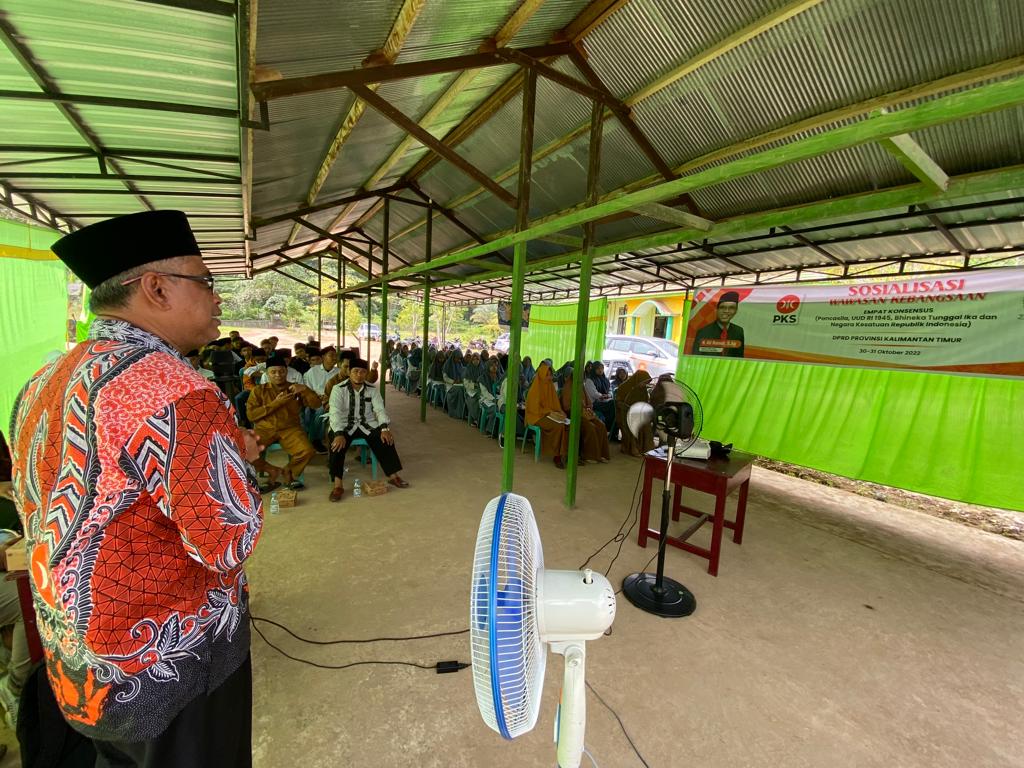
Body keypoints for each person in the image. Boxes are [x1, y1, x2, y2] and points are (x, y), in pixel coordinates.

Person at [9, 210, 262, 766]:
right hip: (171, 670)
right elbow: (226, 541)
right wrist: (236, 464)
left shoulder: (43, 380)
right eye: (207, 282)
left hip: (79, 664)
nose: (218, 299)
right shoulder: (178, 390)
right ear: (155, 288)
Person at [327, 359, 409, 501]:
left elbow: (379, 409)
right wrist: (338, 433)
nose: (359, 375)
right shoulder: (338, 389)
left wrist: (384, 427)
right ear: (349, 372)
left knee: (386, 439)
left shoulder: (372, 389)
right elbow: (334, 412)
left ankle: (393, 476)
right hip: (344, 424)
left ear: (366, 373)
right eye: (355, 371)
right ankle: (338, 484)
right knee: (336, 445)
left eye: (363, 372)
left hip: (367, 423)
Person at [247, 355, 321, 491]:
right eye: (273, 372)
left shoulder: (295, 389)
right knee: (243, 449)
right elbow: (251, 416)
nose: (278, 375)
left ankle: (289, 472)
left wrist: (305, 389)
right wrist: (276, 403)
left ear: (286, 371)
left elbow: (316, 405)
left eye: (281, 371)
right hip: (265, 429)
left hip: (290, 428)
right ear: (267, 373)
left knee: (307, 451)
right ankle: (271, 470)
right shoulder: (258, 391)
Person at [525, 362, 571, 469]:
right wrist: (549, 412)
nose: (550, 377)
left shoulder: (550, 387)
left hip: (549, 414)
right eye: (547, 375)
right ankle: (557, 456)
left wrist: (560, 412)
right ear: (541, 375)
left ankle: (565, 453)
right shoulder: (535, 389)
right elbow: (534, 408)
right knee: (558, 426)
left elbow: (555, 404)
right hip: (536, 416)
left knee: (567, 425)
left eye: (550, 375)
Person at [560, 371, 611, 464]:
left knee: (601, 425)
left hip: (585, 413)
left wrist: (588, 408)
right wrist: (579, 409)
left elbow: (589, 403)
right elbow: (566, 407)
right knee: (590, 427)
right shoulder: (567, 388)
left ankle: (601, 454)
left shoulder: (581, 387)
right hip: (574, 415)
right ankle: (589, 455)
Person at [303, 346, 339, 454]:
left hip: (333, 402)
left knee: (321, 411)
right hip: (315, 399)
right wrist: (316, 396)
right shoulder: (313, 371)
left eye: (335, 355)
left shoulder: (339, 372)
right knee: (313, 411)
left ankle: (313, 439)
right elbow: (307, 388)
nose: (334, 358)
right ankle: (315, 439)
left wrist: (329, 397)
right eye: (331, 355)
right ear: (323, 357)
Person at [691, 290, 745, 357]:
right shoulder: (704, 332)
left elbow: (739, 357)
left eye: (731, 308)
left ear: (736, 311)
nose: (726, 311)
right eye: (722, 307)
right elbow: (695, 357)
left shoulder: (739, 331)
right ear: (717, 309)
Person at [615, 369, 655, 457]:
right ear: (638, 380)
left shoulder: (642, 389)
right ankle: (633, 448)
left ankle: (646, 449)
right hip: (624, 413)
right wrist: (629, 408)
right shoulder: (624, 387)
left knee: (646, 424)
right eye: (643, 382)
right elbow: (618, 403)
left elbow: (645, 402)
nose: (644, 385)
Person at [585, 361, 617, 440]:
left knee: (615, 405)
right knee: (613, 405)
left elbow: (610, 390)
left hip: (604, 401)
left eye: (602, 368)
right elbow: (593, 393)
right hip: (595, 403)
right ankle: (610, 430)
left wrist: (608, 395)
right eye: (598, 368)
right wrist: (602, 396)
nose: (600, 370)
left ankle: (612, 432)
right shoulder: (590, 380)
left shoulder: (605, 379)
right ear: (594, 369)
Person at [443, 349, 466, 419]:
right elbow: (445, 378)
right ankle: (454, 412)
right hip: (450, 386)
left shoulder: (459, 364)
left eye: (460, 359)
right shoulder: (447, 364)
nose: (459, 360)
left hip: (459, 384)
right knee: (460, 390)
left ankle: (461, 413)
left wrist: (461, 380)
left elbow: (462, 374)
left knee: (464, 389)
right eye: (457, 358)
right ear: (453, 357)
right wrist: (453, 381)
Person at [463, 352, 482, 426]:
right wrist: (474, 385)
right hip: (471, 391)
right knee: (474, 401)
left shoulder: (482, 368)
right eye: (474, 359)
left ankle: (479, 419)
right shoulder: (468, 369)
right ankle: (476, 418)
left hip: (481, 390)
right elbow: (466, 383)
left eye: (477, 359)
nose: (476, 361)